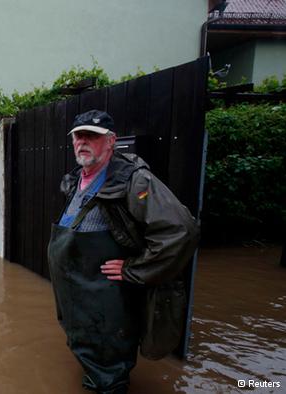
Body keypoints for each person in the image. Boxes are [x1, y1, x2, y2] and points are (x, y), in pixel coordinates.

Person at [47, 109, 199, 393]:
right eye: (79, 136)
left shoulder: (134, 181)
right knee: (88, 357)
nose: (83, 142)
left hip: (108, 306)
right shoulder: (74, 180)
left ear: (111, 141)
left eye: (93, 136)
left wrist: (135, 269)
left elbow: (182, 231)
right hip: (78, 302)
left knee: (109, 372)